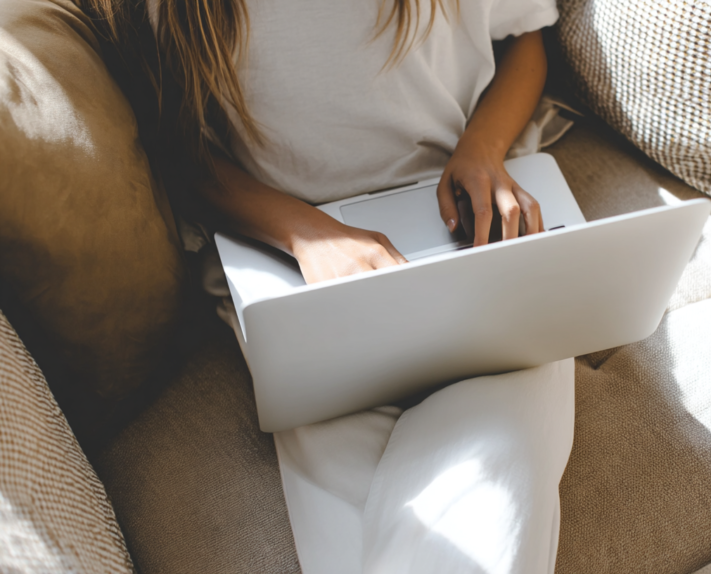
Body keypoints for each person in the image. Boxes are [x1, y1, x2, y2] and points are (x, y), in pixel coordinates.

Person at [86, 0, 575, 571]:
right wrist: (310, 236)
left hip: (464, 225)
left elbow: (524, 39)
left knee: (493, 483)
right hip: (286, 251)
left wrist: (484, 148)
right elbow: (179, 154)